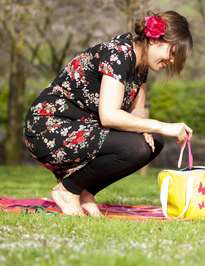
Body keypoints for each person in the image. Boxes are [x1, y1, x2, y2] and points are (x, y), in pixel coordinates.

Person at [24, 11, 193, 217]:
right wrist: (161, 125)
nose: (173, 61)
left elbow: (137, 111)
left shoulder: (141, 67)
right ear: (155, 38)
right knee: (137, 147)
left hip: (84, 129)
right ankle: (68, 190)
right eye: (173, 53)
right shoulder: (119, 54)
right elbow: (109, 116)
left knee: (154, 142)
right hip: (49, 128)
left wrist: (148, 128)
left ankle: (85, 192)